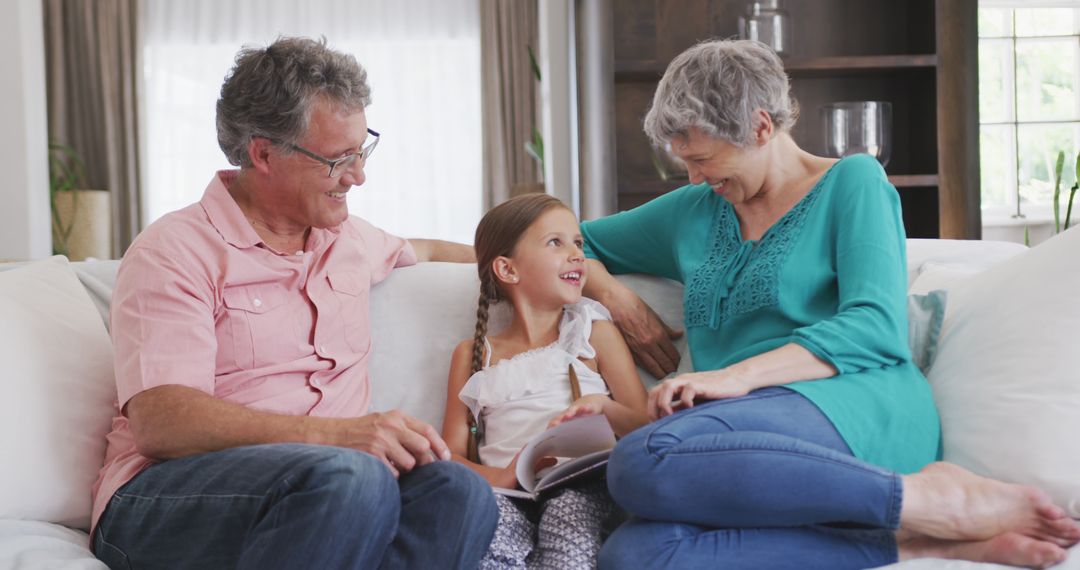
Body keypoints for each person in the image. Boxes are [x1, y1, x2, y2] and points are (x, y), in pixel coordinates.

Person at [579, 39, 1080, 569]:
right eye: (685, 162)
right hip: (745, 436)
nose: (695, 177)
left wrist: (737, 376)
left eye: (703, 159)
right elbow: (563, 244)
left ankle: (926, 498)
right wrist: (611, 291)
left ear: (760, 127)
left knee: (642, 460)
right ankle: (915, 541)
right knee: (635, 556)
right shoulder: (691, 211)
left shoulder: (853, 182)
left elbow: (874, 325)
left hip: (855, 404)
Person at [89, 37, 497, 569]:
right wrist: (337, 438)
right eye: (337, 159)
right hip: (163, 499)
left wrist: (596, 280)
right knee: (352, 477)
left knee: (459, 492)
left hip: (330, 494)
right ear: (263, 153)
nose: (358, 175)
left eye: (362, 149)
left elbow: (433, 250)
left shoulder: (349, 240)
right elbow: (162, 422)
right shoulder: (175, 250)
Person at [440, 193, 649, 569]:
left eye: (578, 243)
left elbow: (646, 427)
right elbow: (451, 457)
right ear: (507, 270)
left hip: (583, 484)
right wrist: (503, 476)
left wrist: (604, 408)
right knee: (490, 538)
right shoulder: (473, 353)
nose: (576, 254)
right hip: (507, 494)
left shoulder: (593, 333)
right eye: (556, 242)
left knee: (567, 517)